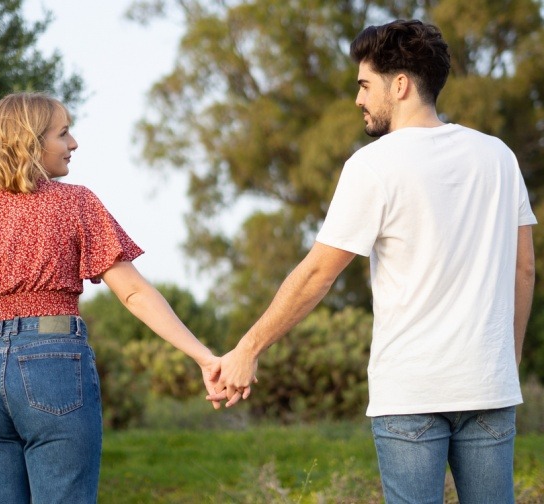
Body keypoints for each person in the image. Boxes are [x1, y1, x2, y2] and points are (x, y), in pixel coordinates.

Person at [207, 19, 537, 503]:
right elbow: (524, 269)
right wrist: (505, 361)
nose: (358, 98)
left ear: (399, 84)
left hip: (411, 393)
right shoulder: (499, 157)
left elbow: (319, 273)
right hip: (489, 385)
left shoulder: (374, 164)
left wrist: (248, 348)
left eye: (365, 85)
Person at [0, 91, 219, 504]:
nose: (74, 143)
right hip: (55, 367)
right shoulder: (76, 202)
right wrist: (204, 356)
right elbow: (132, 292)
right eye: (63, 133)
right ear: (31, 140)